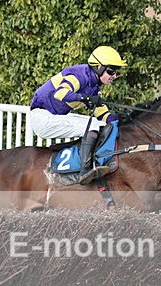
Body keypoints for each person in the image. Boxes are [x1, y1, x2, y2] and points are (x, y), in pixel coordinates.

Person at [29, 45, 127, 184]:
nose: (114, 76)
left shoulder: (94, 86)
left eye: (116, 72)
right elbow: (60, 93)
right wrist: (85, 98)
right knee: (92, 125)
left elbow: (103, 115)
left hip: (54, 117)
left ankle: (91, 162)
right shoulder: (79, 74)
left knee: (100, 124)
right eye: (111, 71)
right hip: (42, 118)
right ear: (99, 67)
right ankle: (85, 170)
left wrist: (120, 118)